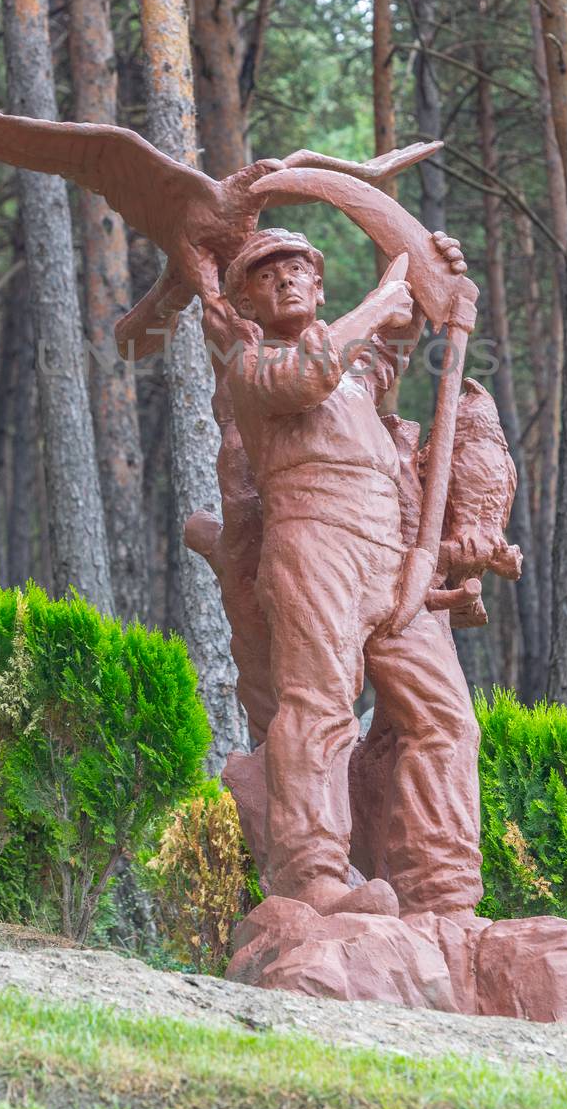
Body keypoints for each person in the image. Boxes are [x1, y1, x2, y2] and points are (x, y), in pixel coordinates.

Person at [196, 227, 483, 919]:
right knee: (320, 704)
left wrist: (425, 269)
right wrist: (384, 297)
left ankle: (441, 886)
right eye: (266, 277)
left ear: (321, 287)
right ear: (245, 303)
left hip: (392, 550)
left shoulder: (358, 376)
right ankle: (313, 872)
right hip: (313, 539)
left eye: (298, 269)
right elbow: (310, 374)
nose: (286, 281)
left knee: (444, 716)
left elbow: (391, 341)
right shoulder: (253, 366)